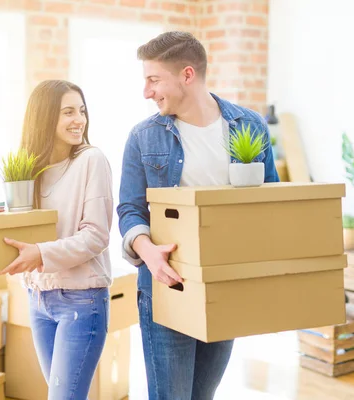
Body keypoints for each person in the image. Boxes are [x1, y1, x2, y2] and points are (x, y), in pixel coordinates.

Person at [117, 32, 280, 399]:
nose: (146, 92)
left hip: (224, 288)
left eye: (153, 80)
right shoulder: (143, 138)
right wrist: (147, 252)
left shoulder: (249, 127)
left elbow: (272, 204)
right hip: (167, 285)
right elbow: (129, 209)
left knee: (202, 395)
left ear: (187, 75)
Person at [0, 80, 114, 400]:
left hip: (82, 301)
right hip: (38, 299)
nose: (79, 119)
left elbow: (96, 236)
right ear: (44, 117)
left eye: (81, 111)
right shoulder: (29, 169)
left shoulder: (92, 160)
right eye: (68, 112)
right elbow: (23, 228)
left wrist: (39, 253)